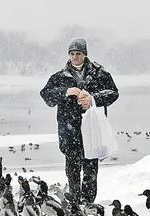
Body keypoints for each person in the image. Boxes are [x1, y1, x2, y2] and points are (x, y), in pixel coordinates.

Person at [40, 37, 119, 204]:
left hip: (92, 129)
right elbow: (46, 96)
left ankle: (88, 203)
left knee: (91, 170)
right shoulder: (60, 77)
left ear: (85, 54)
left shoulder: (99, 74)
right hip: (69, 131)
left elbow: (113, 93)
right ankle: (75, 203)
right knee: (72, 170)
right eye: (72, 54)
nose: (74, 57)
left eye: (78, 53)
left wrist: (93, 99)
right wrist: (66, 92)